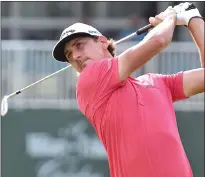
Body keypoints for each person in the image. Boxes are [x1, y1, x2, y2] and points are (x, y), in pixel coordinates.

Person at [52, 2, 204, 177]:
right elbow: (158, 40)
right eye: (69, 55)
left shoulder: (158, 82)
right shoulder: (88, 80)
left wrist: (193, 18)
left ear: (102, 42)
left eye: (79, 45)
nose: (76, 56)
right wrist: (170, 18)